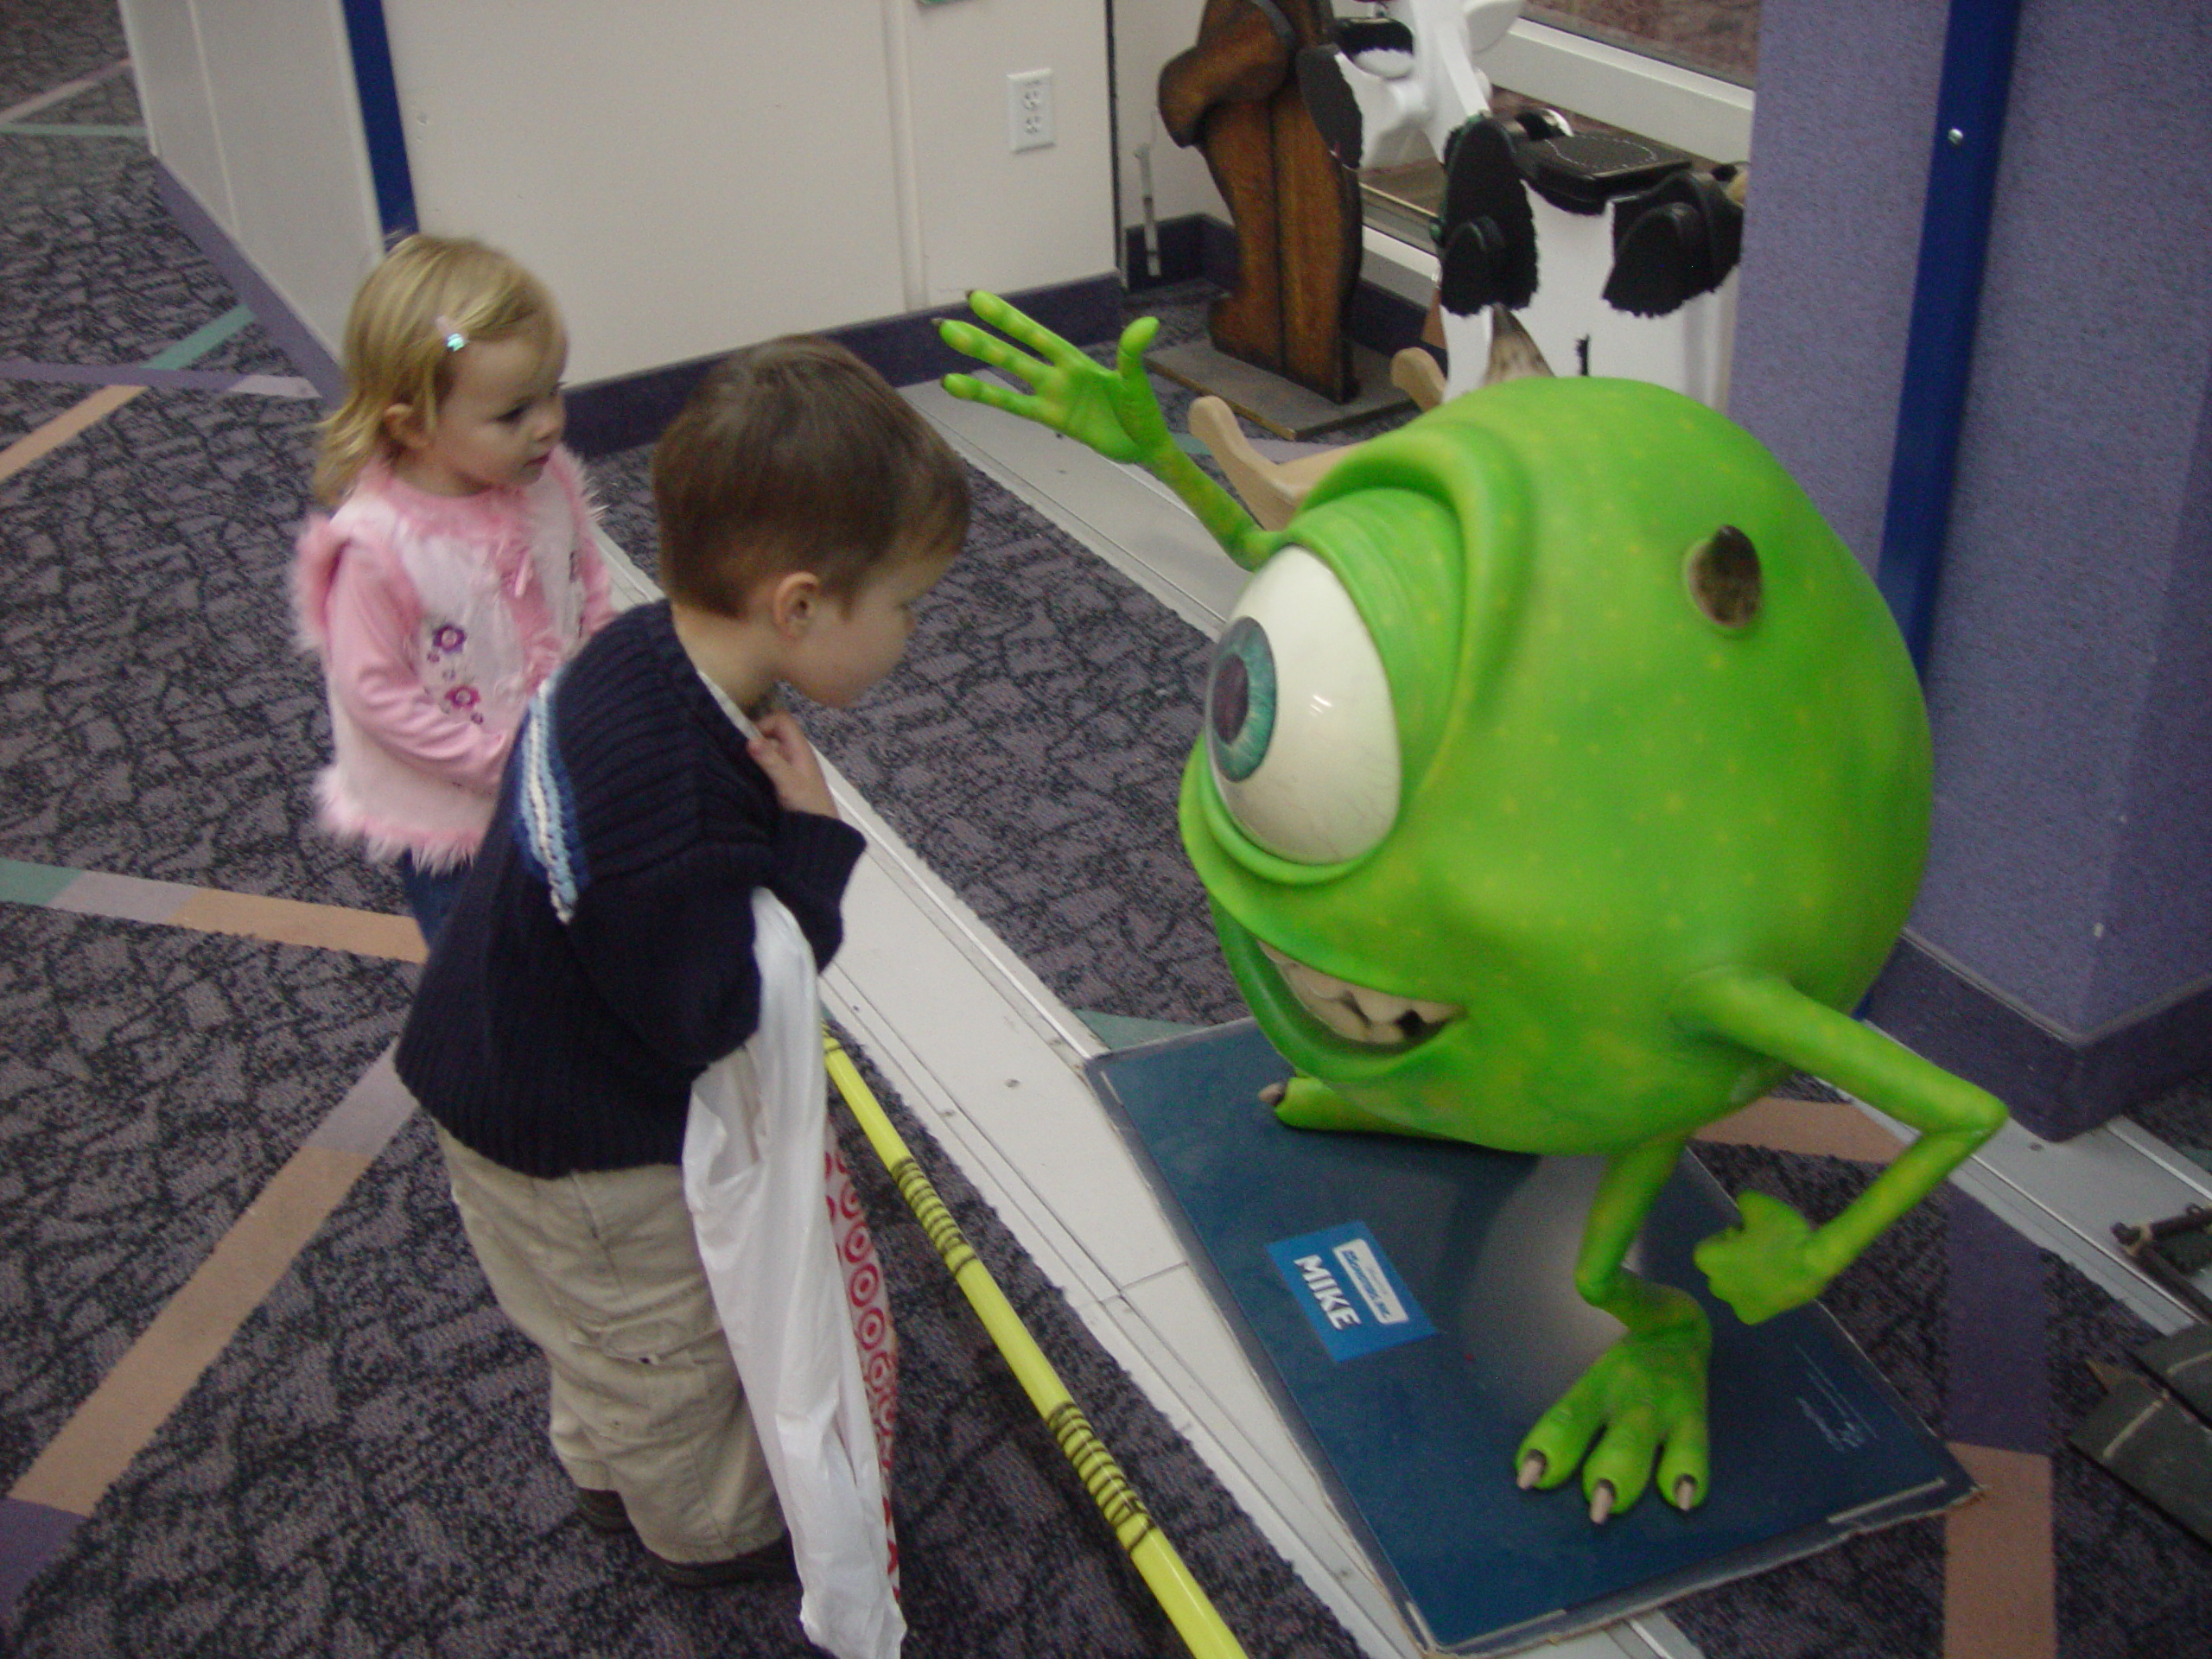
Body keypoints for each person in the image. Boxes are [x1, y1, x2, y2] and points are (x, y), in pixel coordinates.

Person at [395, 336, 969, 1586]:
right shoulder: (673, 800)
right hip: (573, 1143)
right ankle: (703, 1536)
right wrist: (808, 856)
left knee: (594, 1334)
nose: (913, 634)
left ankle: (602, 1452)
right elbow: (706, 1013)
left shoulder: (645, 654)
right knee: (663, 1348)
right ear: (802, 606)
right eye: (908, 605)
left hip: (509, 1055)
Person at [294, 234, 613, 948]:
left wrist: (601, 679)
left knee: (581, 932)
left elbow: (583, 579)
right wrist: (499, 762)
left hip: (562, 772)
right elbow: (372, 694)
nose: (550, 424)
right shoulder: (378, 547)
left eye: (552, 391)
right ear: (413, 426)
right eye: (513, 414)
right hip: (453, 822)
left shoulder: (545, 479)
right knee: (484, 963)